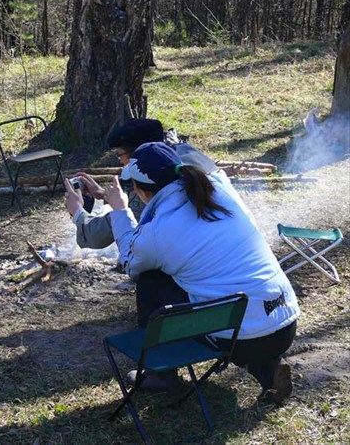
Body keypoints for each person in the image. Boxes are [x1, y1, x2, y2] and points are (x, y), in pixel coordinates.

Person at [101, 142, 300, 403]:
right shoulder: (218, 189)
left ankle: (160, 374)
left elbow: (130, 262)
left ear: (141, 191)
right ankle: (266, 369)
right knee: (229, 293)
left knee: (151, 280)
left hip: (237, 335)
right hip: (284, 323)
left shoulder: (161, 232)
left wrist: (119, 211)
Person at [65, 119, 218, 250]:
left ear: (137, 156)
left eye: (120, 154)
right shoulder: (186, 159)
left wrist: (78, 211)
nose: (120, 161)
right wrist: (103, 194)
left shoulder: (150, 188)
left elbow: (95, 237)